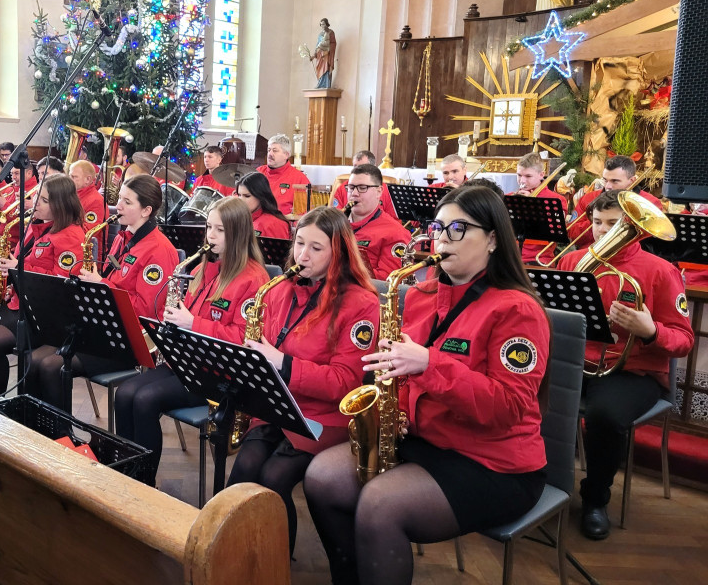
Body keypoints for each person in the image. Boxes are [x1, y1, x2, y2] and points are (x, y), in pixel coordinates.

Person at [304, 184, 550, 584]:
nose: (441, 238)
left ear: (491, 239)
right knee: (321, 479)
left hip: (494, 463)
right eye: (438, 227)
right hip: (425, 439)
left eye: (458, 229)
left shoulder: (518, 310)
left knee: (380, 506)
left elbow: (507, 408)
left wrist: (427, 364)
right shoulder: (419, 295)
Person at [227, 206, 379, 554]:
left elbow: (346, 383)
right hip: (278, 407)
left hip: (325, 418)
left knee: (274, 478)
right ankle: (236, 558)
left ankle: (278, 564)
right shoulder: (280, 290)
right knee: (245, 469)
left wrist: (282, 362)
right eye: (299, 243)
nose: (302, 255)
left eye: (316, 247)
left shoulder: (361, 304)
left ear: (338, 252)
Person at [556, 190, 693, 540]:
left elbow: (683, 340)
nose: (603, 231)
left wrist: (650, 331)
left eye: (615, 224)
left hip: (634, 371)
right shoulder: (572, 262)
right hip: (577, 362)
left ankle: (595, 499)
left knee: (605, 416)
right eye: (598, 223)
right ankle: (541, 483)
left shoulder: (661, 272)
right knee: (526, 393)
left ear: (636, 229)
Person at [114, 197, 269, 483]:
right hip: (187, 363)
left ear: (238, 233)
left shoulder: (253, 279)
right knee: (124, 395)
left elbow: (244, 339)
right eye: (209, 227)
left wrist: (192, 323)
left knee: (145, 400)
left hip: (219, 373)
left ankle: (144, 483)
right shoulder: (201, 268)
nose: (210, 235)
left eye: (220, 230)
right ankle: (126, 473)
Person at [32, 175, 179, 411]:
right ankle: (34, 428)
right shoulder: (123, 237)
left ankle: (59, 436)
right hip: (104, 326)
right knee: (36, 361)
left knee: (52, 366)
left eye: (127, 202)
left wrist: (102, 285)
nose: (117, 205)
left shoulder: (160, 250)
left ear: (146, 210)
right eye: (119, 198)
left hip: (129, 339)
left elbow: (146, 309)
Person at [0, 175, 86, 394]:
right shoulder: (34, 226)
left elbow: (62, 284)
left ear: (61, 204)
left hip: (45, 315)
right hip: (20, 303)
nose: (36, 202)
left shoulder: (71, 235)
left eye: (44, 200)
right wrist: (10, 278)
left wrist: (19, 269)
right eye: (37, 195)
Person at [567, 155, 662, 250]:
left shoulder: (650, 203)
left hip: (629, 258)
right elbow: (572, 233)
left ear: (632, 180)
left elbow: (649, 241)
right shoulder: (589, 198)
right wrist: (596, 220)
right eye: (605, 180)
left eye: (614, 181)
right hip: (588, 255)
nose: (608, 186)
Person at [346, 164, 411, 279]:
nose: (354, 193)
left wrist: (343, 270)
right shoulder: (335, 223)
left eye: (362, 188)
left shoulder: (395, 232)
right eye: (351, 187)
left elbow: (388, 282)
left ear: (379, 191)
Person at [514, 152, 567, 263]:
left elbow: (555, 233)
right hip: (509, 257)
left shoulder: (556, 200)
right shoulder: (510, 197)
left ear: (541, 175)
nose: (522, 181)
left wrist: (532, 205)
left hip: (538, 259)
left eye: (528, 176)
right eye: (519, 175)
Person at [256, 134, 310, 215]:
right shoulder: (258, 172)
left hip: (282, 223)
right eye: (269, 150)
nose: (270, 154)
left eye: (275, 150)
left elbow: (303, 213)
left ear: (286, 155)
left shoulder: (299, 179)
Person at [236, 172, 291, 240]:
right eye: (239, 195)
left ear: (260, 196)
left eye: (247, 196)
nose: (241, 200)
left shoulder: (274, 224)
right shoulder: (243, 219)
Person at [68, 160, 108, 231]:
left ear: (88, 179)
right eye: (70, 176)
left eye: (74, 177)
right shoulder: (71, 195)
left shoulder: (96, 201)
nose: (69, 180)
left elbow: (89, 231)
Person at [311, 18, 337, 89]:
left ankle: (326, 84)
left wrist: (328, 49)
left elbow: (333, 43)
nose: (322, 26)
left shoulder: (331, 32)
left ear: (327, 24)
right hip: (320, 55)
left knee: (326, 68)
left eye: (324, 24)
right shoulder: (320, 34)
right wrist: (314, 55)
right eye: (321, 24)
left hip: (327, 55)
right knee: (320, 69)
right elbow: (318, 44)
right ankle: (320, 84)